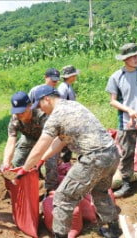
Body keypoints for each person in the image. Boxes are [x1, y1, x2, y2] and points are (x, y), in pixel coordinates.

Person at [17, 85, 122, 238]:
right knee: (100, 191)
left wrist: (25, 168)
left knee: (63, 198)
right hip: (111, 154)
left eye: (39, 105)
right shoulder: (73, 105)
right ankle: (114, 229)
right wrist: (41, 161)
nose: (39, 109)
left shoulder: (56, 116)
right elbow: (61, 141)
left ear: (47, 99)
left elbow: (41, 144)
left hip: (94, 158)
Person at [105, 42, 137, 198]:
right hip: (125, 122)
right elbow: (113, 101)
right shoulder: (116, 77)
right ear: (125, 59)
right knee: (126, 154)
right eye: (132, 56)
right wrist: (129, 110)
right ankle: (127, 184)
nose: (136, 58)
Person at [1, 91, 58, 192]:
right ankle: (22, 185)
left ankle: (50, 189)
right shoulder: (15, 118)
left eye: (22, 112)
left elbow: (49, 139)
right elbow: (11, 140)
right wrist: (6, 162)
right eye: (16, 112)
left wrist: (40, 159)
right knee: (17, 162)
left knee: (50, 162)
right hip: (28, 139)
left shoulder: (42, 115)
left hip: (48, 140)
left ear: (30, 106)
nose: (19, 115)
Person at [57, 65, 80, 162]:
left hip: (70, 118)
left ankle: (65, 163)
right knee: (65, 144)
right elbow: (60, 104)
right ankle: (63, 164)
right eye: (74, 75)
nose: (75, 77)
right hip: (65, 120)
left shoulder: (68, 86)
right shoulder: (63, 88)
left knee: (69, 143)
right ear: (70, 76)